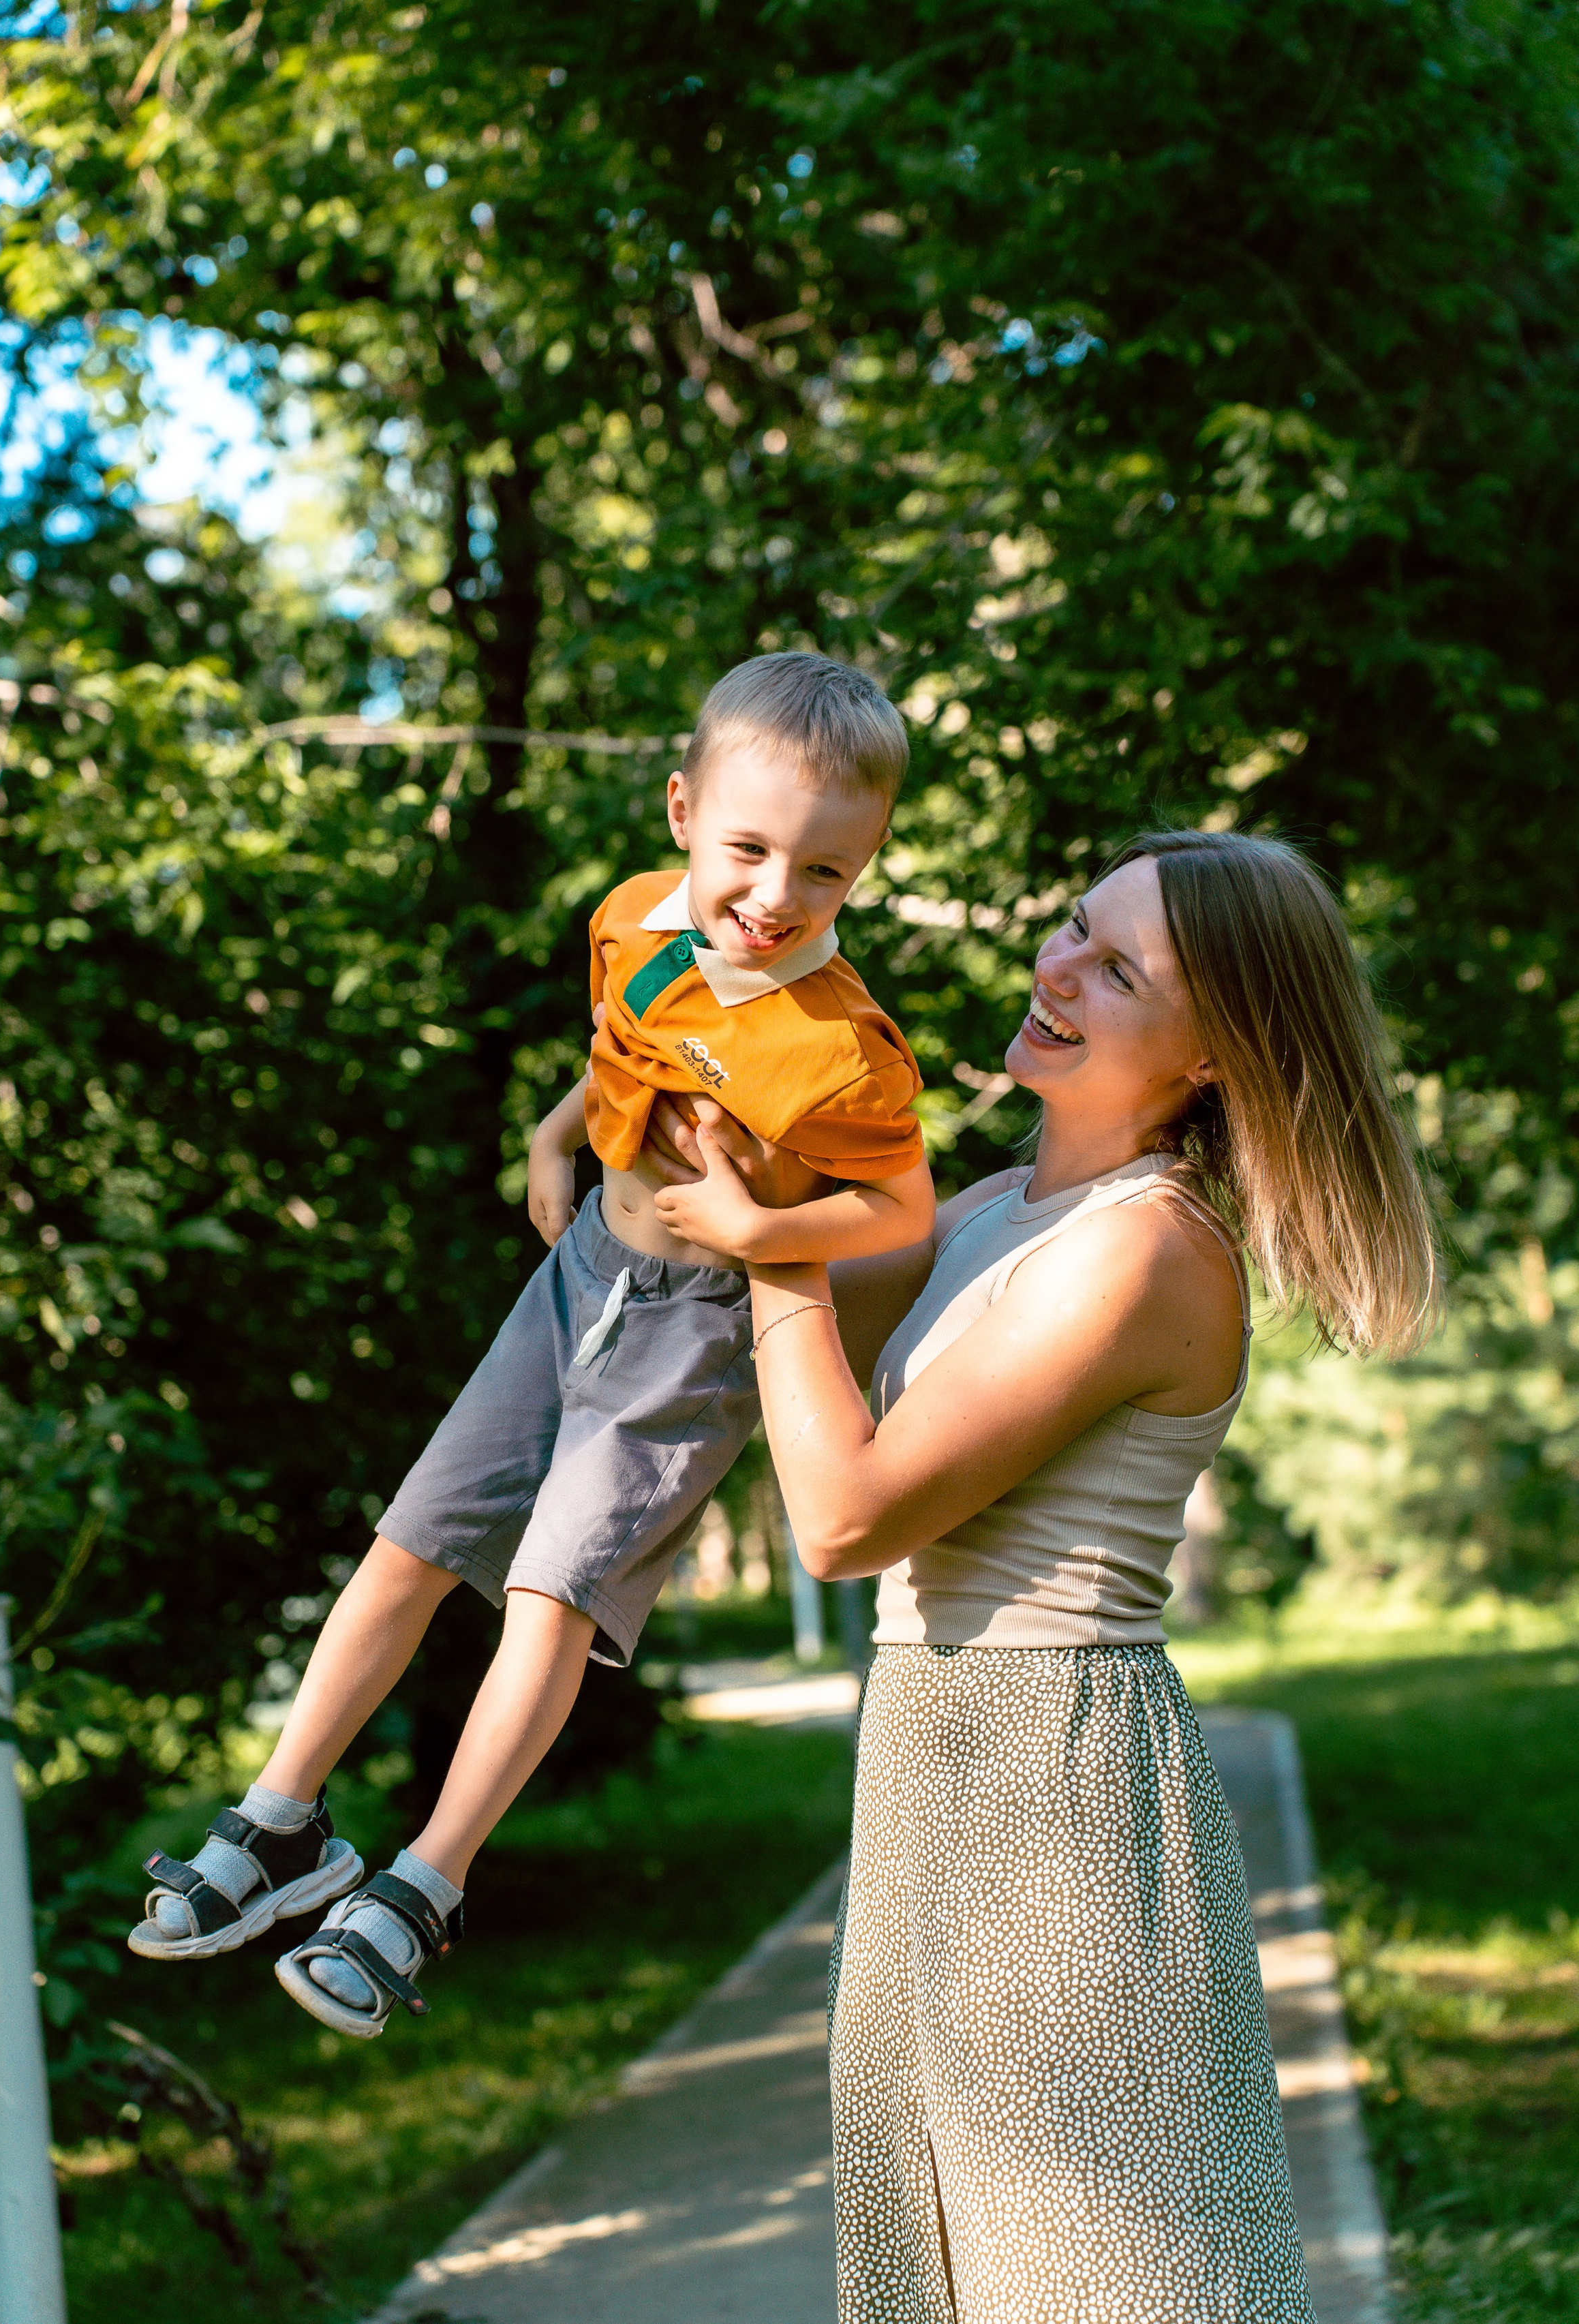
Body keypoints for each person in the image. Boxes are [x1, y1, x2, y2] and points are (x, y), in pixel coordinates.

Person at [645, 828, 1438, 2322]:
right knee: (935, 2271)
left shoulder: (1145, 1251)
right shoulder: (994, 1211)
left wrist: (772, 1256)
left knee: (1093, 2276)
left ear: (1212, 1057)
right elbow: (755, 1307)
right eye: (1073, 926)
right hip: (930, 1769)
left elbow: (843, 1510)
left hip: (1053, 1786)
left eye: (1118, 968)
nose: (1056, 966)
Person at [127, 652, 935, 2038]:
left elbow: (899, 1208)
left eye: (824, 873)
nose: (774, 898)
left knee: (548, 1597)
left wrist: (754, 1226)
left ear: (860, 868)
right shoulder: (637, 917)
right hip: (577, 1274)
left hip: (688, 1336)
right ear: (683, 812)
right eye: (748, 851)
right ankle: (280, 1822)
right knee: (411, 1540)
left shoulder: (845, 1049)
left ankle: (419, 1889)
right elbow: (627, 1038)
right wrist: (556, 1129)